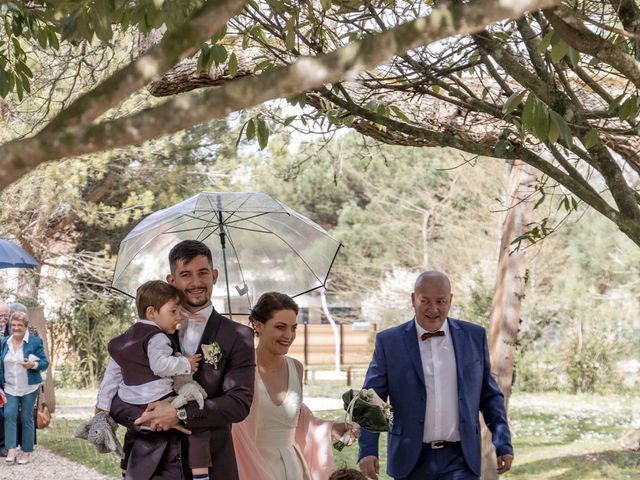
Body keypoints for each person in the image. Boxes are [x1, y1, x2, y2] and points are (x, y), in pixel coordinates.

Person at [109, 240, 255, 479]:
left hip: (211, 464)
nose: (196, 283)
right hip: (148, 465)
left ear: (215, 276)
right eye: (186, 275)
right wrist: (146, 419)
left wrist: (179, 413)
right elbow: (114, 396)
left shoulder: (238, 336)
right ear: (171, 281)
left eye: (203, 273)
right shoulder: (141, 334)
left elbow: (238, 404)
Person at [358, 271, 514, 480]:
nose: (433, 309)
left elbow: (489, 395)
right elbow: (371, 398)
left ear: (450, 300)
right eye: (425, 301)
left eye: (441, 301)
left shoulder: (474, 336)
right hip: (410, 459)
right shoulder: (389, 342)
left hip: (461, 459)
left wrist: (503, 442)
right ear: (413, 299)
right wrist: (368, 449)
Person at [232, 291, 356, 480]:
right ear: (258, 325)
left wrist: (331, 429)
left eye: (294, 328)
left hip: (292, 467)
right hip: (252, 464)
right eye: (280, 327)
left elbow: (297, 419)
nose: (289, 335)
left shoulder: (296, 368)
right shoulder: (242, 368)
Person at [96, 280, 208, 480]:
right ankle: (201, 472)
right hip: (158, 394)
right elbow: (160, 366)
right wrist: (186, 363)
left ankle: (126, 465)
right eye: (173, 312)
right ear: (151, 313)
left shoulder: (124, 339)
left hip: (131, 397)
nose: (178, 316)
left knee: (132, 434)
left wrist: (103, 405)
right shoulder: (157, 337)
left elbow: (111, 377)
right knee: (197, 412)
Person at [0, 310, 49, 465]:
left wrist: (32, 364)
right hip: (10, 386)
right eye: (13, 325)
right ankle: (12, 449)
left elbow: (44, 363)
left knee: (26, 417)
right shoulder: (4, 342)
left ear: (25, 326)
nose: (16, 328)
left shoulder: (34, 342)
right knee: (9, 414)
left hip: (29, 386)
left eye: (19, 325)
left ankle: (26, 452)